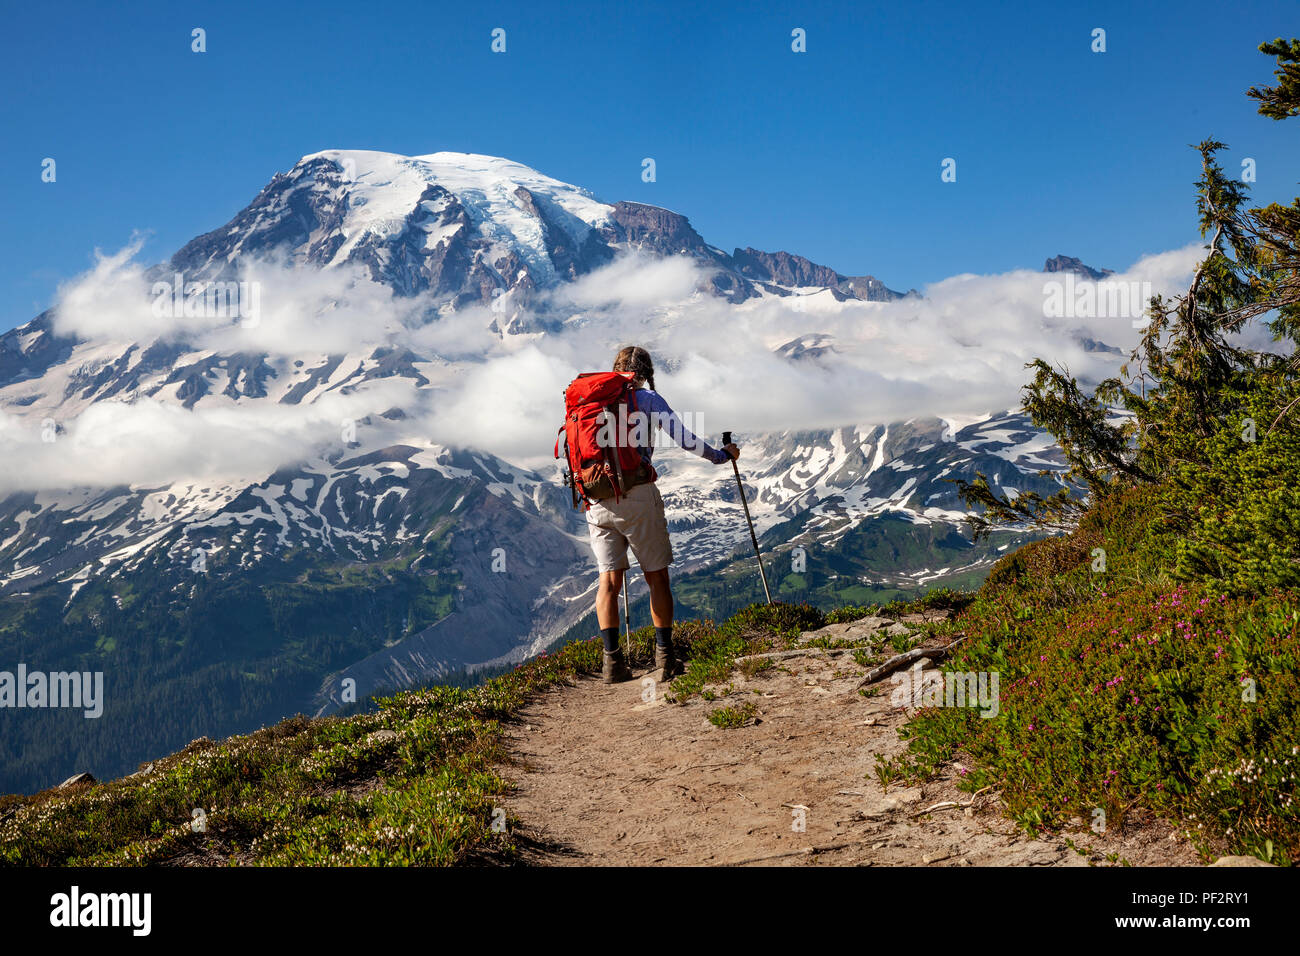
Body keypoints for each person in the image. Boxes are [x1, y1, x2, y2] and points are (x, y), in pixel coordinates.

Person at [587, 346, 739, 684]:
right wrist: (720, 456)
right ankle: (665, 657)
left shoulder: (592, 401)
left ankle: (612, 664)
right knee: (657, 576)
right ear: (644, 371)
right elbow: (684, 438)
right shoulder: (648, 400)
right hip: (638, 494)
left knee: (608, 583)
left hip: (597, 498)